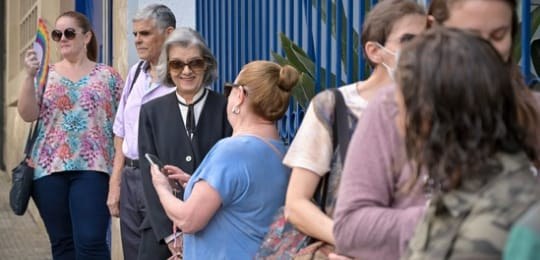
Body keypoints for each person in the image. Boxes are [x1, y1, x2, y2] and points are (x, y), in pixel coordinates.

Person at [332, 0, 540, 259]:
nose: (485, 52)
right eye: (469, 37)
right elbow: (351, 227)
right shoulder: (391, 107)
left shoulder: (532, 113)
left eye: (498, 35)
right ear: (434, 30)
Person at [282, 0, 426, 254]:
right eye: (408, 40)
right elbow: (296, 204)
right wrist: (355, 241)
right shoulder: (334, 107)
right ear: (374, 51)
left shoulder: (436, 111)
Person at [399, 27, 540, 259]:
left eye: (400, 109)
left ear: (428, 117)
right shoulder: (461, 189)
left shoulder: (498, 220)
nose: (398, 123)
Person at [150, 61, 299, 259]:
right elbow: (246, 201)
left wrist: (161, 187)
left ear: (240, 95)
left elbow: (188, 219)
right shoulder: (282, 152)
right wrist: (198, 182)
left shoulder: (231, 151)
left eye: (230, 89)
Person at [18, 11, 123, 259]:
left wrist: (119, 172)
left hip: (94, 168)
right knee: (63, 245)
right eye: (57, 34)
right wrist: (29, 75)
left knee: (91, 242)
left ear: (86, 37)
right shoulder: (46, 74)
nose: (62, 38)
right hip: (48, 170)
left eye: (69, 32)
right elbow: (27, 114)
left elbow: (123, 126)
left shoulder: (108, 76)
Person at [138, 27, 232, 259]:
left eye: (195, 63)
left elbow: (230, 174)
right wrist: (171, 236)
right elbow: (149, 177)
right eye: (177, 64)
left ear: (207, 65)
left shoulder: (226, 109)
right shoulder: (151, 111)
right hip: (162, 231)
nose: (186, 71)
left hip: (213, 229)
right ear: (168, 69)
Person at [106, 4, 176, 259]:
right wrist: (115, 185)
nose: (137, 40)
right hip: (130, 179)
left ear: (168, 34)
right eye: (135, 34)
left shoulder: (182, 78)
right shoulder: (135, 73)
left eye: (145, 33)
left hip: (162, 179)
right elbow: (121, 133)